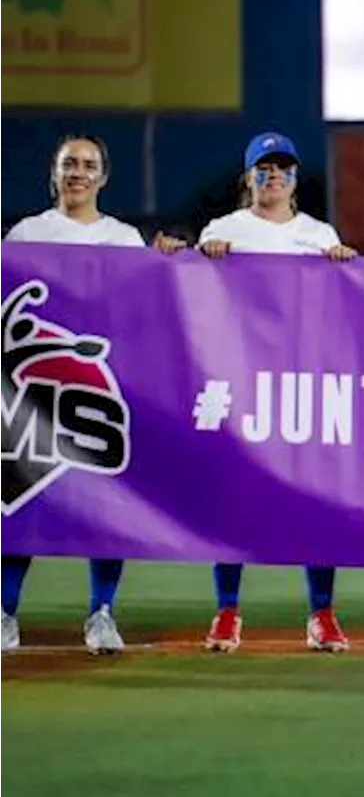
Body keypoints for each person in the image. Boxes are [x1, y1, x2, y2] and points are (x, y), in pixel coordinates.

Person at [0, 134, 185, 656]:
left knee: (108, 507)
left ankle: (102, 612)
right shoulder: (27, 234)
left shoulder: (123, 238)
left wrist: (166, 261)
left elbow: (147, 304)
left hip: (99, 388)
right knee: (21, 499)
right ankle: (5, 613)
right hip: (32, 393)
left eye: (88, 165)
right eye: (69, 164)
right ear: (53, 174)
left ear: (103, 177)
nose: (78, 172)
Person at [198, 131, 358, 653]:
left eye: (283, 168)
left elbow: (342, 309)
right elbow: (194, 298)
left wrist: (343, 270)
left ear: (295, 177)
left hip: (300, 382)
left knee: (315, 502)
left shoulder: (318, 233)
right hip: (241, 378)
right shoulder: (224, 230)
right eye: (264, 168)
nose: (273, 176)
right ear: (248, 177)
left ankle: (321, 614)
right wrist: (204, 257)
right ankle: (226, 611)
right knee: (231, 499)